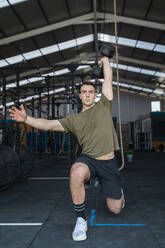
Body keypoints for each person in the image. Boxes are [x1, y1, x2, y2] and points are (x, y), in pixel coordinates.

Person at [9, 57, 124, 242]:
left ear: (95, 95)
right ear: (80, 96)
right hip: (89, 160)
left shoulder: (104, 105)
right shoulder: (73, 120)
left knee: (116, 209)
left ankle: (117, 190)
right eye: (84, 92)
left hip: (109, 162)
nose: (87, 94)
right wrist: (26, 119)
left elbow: (108, 79)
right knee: (76, 172)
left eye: (90, 92)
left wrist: (106, 62)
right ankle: (80, 219)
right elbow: (48, 124)